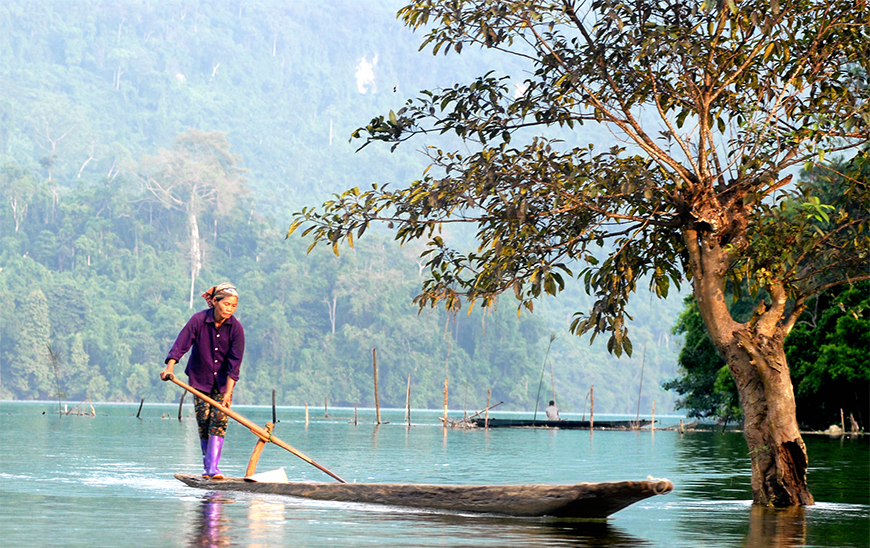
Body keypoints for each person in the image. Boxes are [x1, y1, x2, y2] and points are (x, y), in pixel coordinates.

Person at [161, 282, 245, 479]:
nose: (229, 309)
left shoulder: (236, 329)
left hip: (224, 383)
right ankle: (208, 467)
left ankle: (213, 468)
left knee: (219, 419)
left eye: (233, 306)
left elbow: (235, 364)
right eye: (226, 304)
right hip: (200, 379)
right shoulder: (199, 320)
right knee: (204, 420)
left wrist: (228, 394)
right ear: (215, 302)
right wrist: (169, 369)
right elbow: (181, 344)